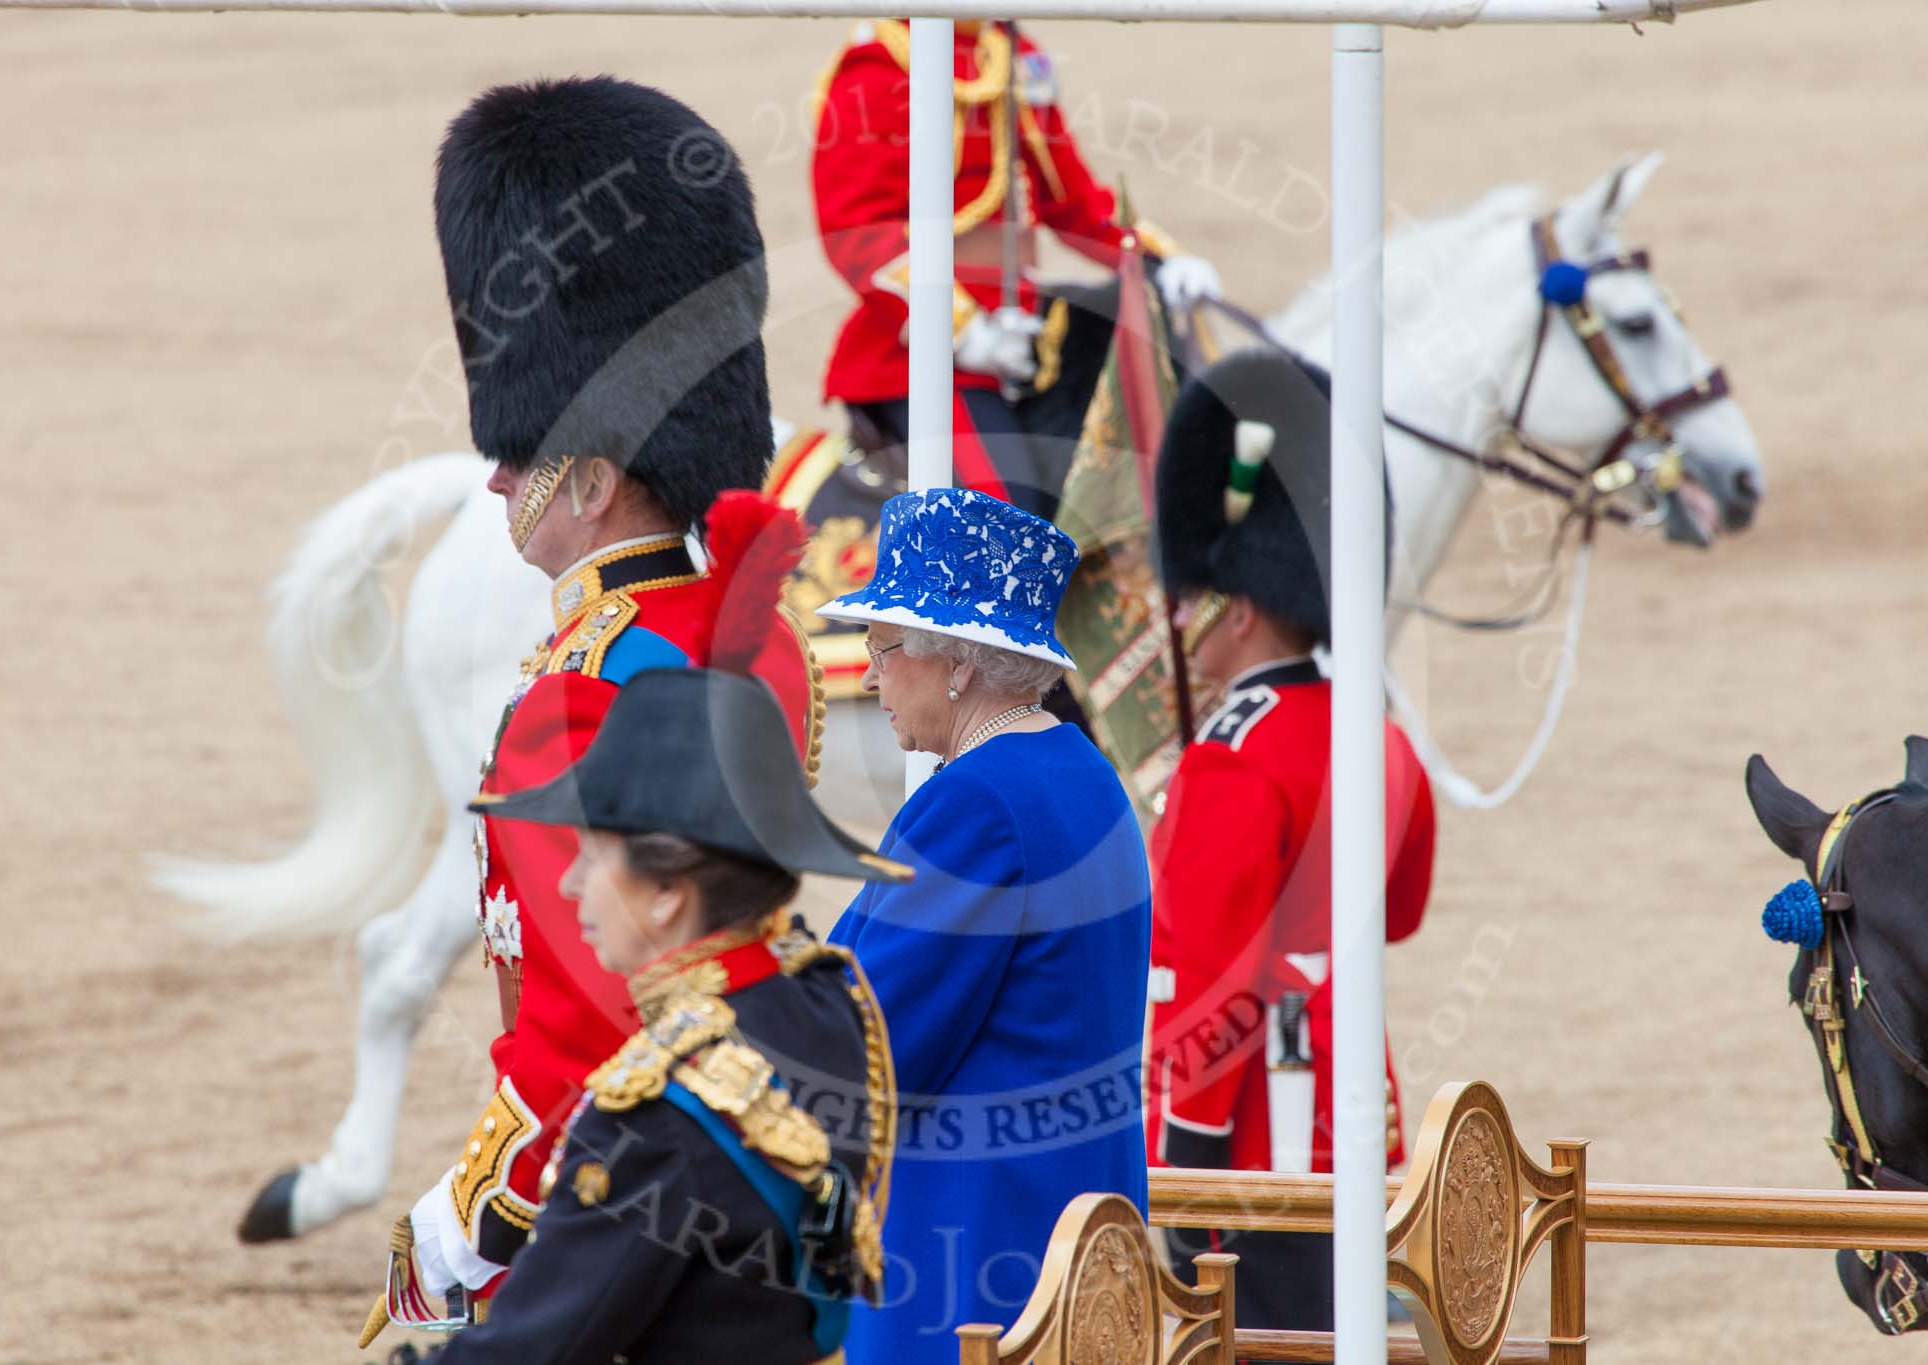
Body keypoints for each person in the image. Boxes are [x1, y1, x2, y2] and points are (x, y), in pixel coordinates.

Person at [361, 76, 821, 1336]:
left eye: (530, 454)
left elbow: (583, 1006)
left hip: (611, 1181)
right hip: (756, 1135)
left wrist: (471, 1215)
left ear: (598, 477)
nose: (500, 473)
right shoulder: (752, 631)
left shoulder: (577, 688)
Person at [388, 666, 909, 1363]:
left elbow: (533, 1348)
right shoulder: (829, 998)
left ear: (667, 889)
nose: (570, 884)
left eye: (593, 855)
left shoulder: (654, 1114)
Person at [814, 487, 1152, 1354]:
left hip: (974, 1268)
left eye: (884, 649)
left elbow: (866, 1046)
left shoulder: (977, 804)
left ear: (957, 661)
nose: (870, 674)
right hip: (1074, 1236)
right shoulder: (1084, 772)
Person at [1144, 349, 1438, 1331]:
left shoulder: (1229, 758)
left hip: (1248, 1141)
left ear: (1235, 607)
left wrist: (1183, 1172)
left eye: (1191, 604)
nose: (1177, 621)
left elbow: (1214, 985)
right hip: (1353, 1108)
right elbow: (1400, 913)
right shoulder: (1380, 733)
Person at [810, 19, 1224, 520]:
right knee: (1005, 522)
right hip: (924, 354)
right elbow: (858, 235)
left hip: (1023, 336)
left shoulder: (1011, 52)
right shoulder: (878, 66)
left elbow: (1073, 203)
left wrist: (1161, 258)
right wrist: (962, 329)